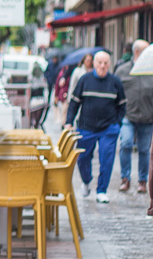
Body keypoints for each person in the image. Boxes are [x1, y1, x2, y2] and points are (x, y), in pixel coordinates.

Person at [66, 50, 127, 203]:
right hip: (86, 127)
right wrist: (68, 122)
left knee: (107, 158)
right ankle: (86, 181)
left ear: (109, 65)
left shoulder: (115, 82)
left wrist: (117, 124)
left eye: (105, 63)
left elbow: (122, 105)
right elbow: (74, 102)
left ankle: (101, 190)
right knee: (83, 158)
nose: (102, 66)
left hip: (108, 128)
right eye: (99, 63)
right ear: (93, 64)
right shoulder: (84, 80)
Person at [117, 45, 153, 194]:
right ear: (137, 52)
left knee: (144, 150)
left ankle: (142, 181)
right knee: (125, 143)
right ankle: (125, 178)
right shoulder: (123, 70)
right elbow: (116, 92)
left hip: (148, 116)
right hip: (128, 115)